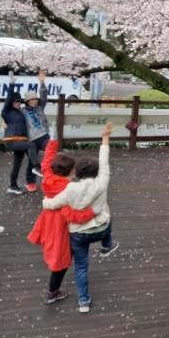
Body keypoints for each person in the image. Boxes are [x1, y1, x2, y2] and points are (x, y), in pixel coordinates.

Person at [42, 123, 119, 314]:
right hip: (100, 229)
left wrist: (45, 201)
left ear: (77, 172)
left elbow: (52, 204)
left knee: (81, 267)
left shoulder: (70, 189)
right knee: (107, 217)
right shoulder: (102, 182)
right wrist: (105, 138)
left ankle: (83, 301)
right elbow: (104, 161)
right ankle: (107, 244)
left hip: (78, 233)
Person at [28, 128, 99, 305]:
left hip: (47, 218)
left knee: (56, 251)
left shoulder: (48, 176)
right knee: (60, 258)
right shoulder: (67, 189)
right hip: (59, 224)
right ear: (70, 172)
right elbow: (71, 214)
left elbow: (47, 160)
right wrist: (92, 212)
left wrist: (53, 141)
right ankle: (53, 291)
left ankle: (54, 288)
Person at [2, 72, 31, 195]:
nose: (18, 103)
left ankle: (12, 186)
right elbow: (9, 98)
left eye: (19, 101)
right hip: (12, 140)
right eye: (15, 101)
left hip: (21, 140)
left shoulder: (22, 112)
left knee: (17, 164)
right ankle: (37, 167)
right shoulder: (7, 111)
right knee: (31, 145)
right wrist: (12, 84)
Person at [21, 71, 50, 192]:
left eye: (35, 99)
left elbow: (44, 95)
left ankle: (51, 178)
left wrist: (42, 83)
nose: (34, 101)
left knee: (51, 152)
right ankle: (31, 182)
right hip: (31, 139)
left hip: (43, 135)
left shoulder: (40, 108)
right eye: (31, 99)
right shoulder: (22, 111)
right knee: (32, 161)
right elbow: (10, 115)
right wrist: (5, 122)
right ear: (27, 101)